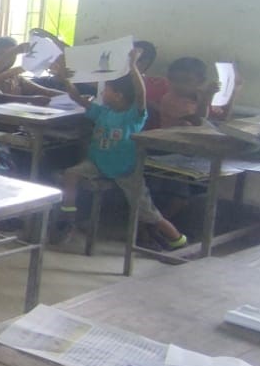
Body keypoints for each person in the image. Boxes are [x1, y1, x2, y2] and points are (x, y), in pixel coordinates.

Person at [53, 49, 189, 249]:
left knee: (147, 212)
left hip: (126, 171)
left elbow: (141, 93)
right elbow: (77, 98)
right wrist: (65, 79)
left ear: (118, 95)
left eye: (106, 89)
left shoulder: (134, 116)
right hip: (97, 164)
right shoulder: (103, 112)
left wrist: (132, 65)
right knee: (70, 175)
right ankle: (68, 214)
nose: (103, 92)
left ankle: (178, 239)